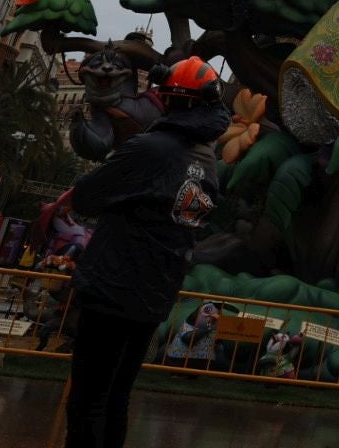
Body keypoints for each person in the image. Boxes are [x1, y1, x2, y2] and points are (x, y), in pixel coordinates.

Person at [63, 57, 229, 448]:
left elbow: (87, 196)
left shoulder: (151, 148)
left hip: (114, 286)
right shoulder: (207, 160)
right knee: (117, 396)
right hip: (156, 291)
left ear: (168, 99)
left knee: (88, 399)